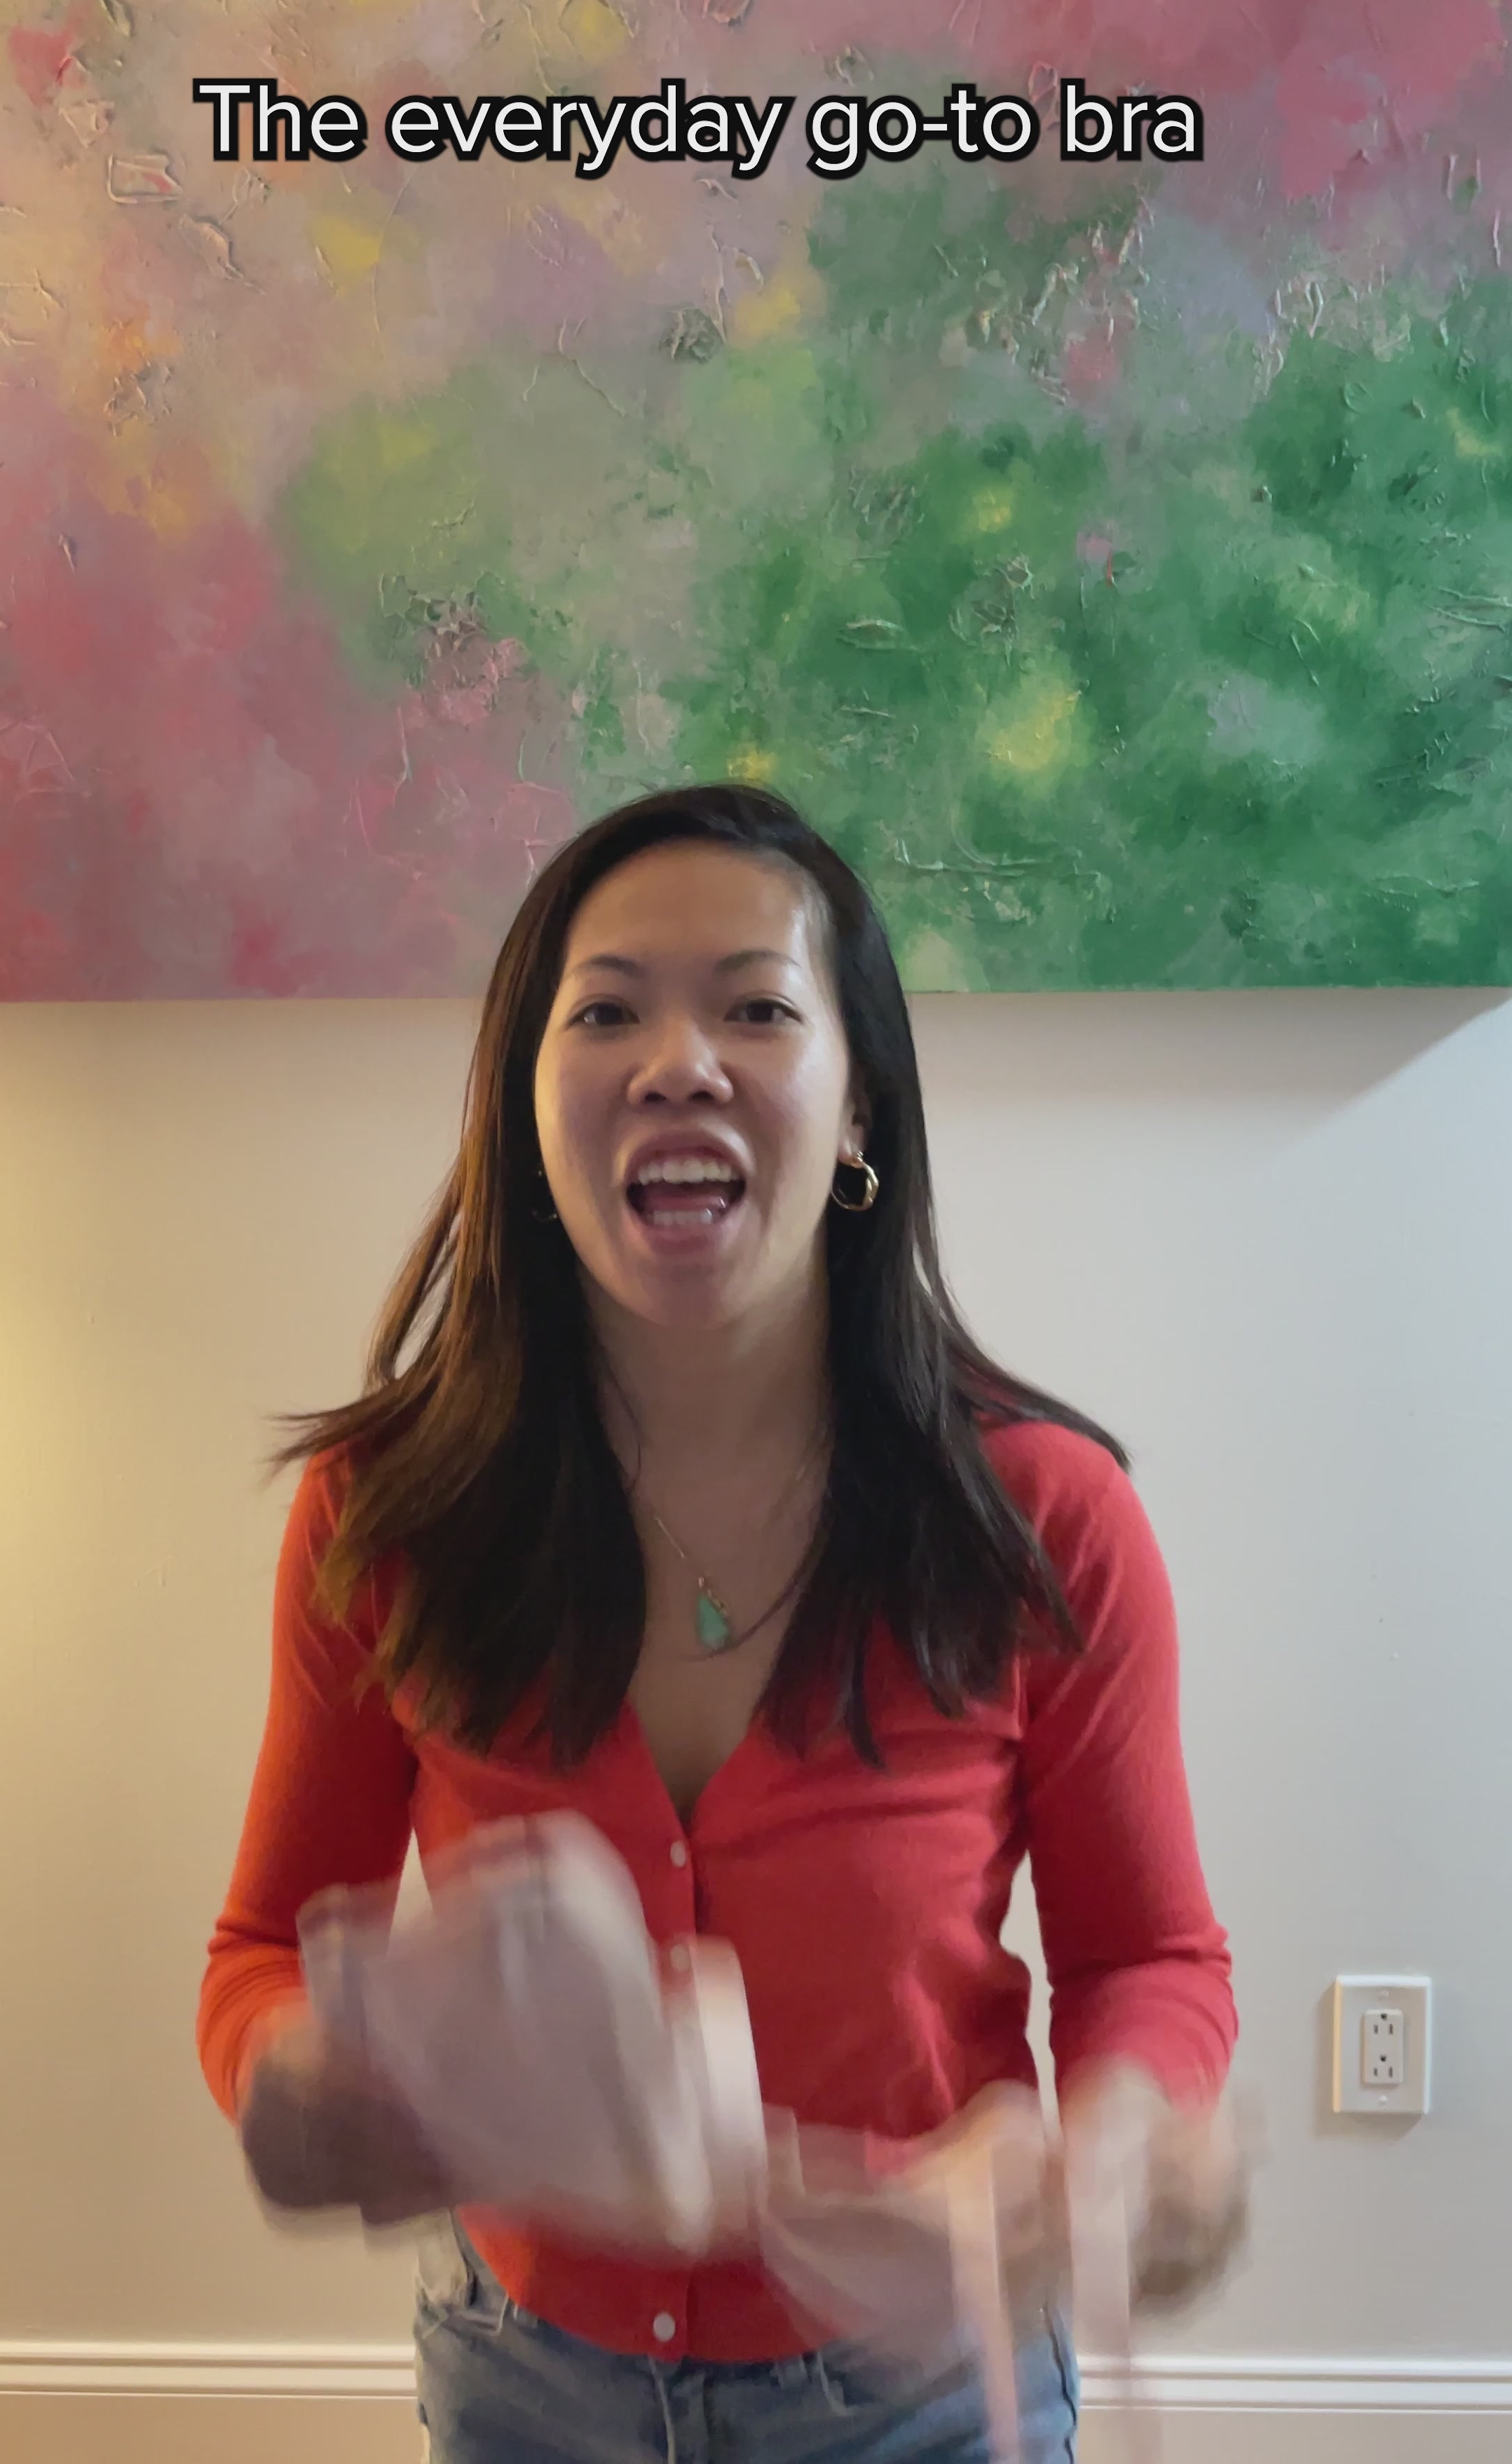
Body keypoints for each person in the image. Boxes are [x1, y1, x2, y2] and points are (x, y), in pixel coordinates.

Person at [198, 784, 1248, 2464]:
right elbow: (258, 1956)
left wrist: (1121, 2150)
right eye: (607, 1011)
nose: (679, 1062)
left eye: (757, 1008)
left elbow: (1150, 1964)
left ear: (858, 1107)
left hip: (927, 2390)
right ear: (525, 1106)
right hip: (523, 2380)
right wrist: (302, 2076)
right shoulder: (382, 1516)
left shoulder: (1048, 1519)